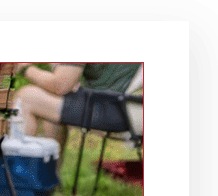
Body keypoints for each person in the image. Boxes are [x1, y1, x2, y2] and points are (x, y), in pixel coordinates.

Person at [13, 63, 142, 166]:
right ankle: (48, 176)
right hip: (133, 106)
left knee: (26, 98)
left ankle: (19, 175)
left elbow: (60, 85)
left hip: (123, 111)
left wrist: (25, 68)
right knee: (51, 101)